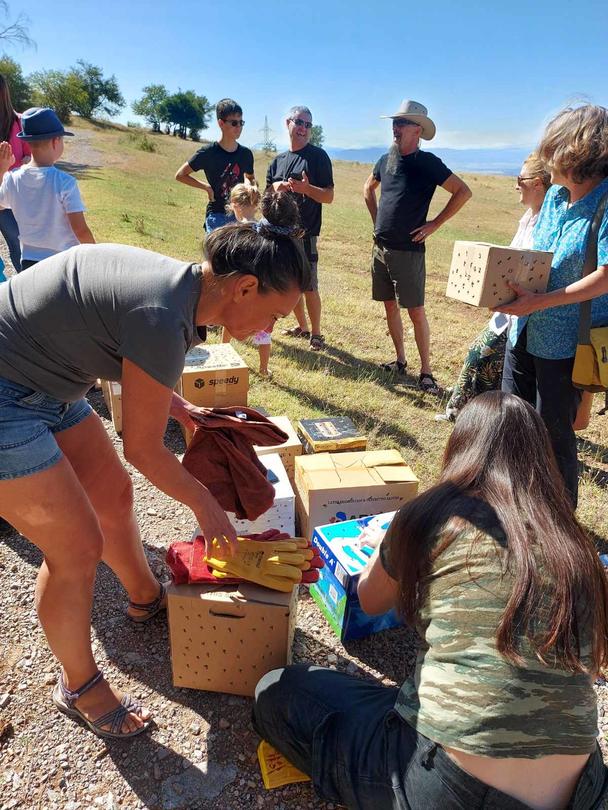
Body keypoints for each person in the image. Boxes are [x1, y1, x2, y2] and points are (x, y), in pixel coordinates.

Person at [0, 190, 309, 740]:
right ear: (243, 287)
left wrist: (176, 403)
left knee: (113, 496)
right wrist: (209, 508)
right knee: (75, 546)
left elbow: (114, 340)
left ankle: (144, 598)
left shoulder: (184, 293)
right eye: (274, 314)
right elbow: (142, 448)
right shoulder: (162, 314)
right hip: (7, 395)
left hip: (51, 381)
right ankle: (78, 685)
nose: (272, 328)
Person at [253, 391, 608, 810]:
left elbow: (369, 600)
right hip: (585, 792)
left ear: (460, 448)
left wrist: (387, 546)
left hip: (452, 788)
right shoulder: (576, 548)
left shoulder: (429, 515)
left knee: (274, 690)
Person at [499, 104, 608, 507]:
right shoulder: (557, 198)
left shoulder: (606, 203)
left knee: (551, 436)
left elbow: (607, 275)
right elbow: (538, 256)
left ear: (579, 153)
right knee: (513, 420)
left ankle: (558, 520)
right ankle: (515, 506)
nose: (546, 160)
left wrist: (542, 301)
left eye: (554, 150)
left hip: (565, 344)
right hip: (525, 330)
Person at [363, 100, 472, 393]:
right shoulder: (385, 160)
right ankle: (400, 360)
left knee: (415, 311)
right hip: (380, 247)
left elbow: (463, 191)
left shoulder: (428, 164)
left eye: (402, 124)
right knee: (389, 305)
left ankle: (426, 372)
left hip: (409, 251)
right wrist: (377, 222)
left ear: (418, 130)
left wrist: (434, 224)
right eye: (395, 123)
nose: (395, 129)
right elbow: (367, 189)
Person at [436, 153, 551, 421]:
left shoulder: (546, 222)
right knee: (484, 360)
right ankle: (467, 414)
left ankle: (470, 416)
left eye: (520, 179)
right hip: (507, 311)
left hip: (524, 314)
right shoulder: (529, 217)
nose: (515, 185)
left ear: (537, 184)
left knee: (483, 358)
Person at [267, 105, 334, 351]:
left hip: (305, 233)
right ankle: (302, 327)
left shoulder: (318, 157)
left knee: (309, 286)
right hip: (279, 232)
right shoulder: (278, 161)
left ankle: (316, 334)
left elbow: (328, 196)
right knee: (290, 283)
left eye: (308, 124)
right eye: (300, 122)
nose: (304, 128)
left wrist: (307, 190)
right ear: (288, 123)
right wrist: (276, 188)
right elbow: (266, 193)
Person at [0, 107, 95, 270]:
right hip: (62, 264)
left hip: (29, 263)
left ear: (26, 141)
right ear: (55, 141)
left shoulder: (12, 178)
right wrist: (95, 254)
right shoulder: (65, 183)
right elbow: (80, 230)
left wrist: (2, 169)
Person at [175, 98, 255, 233]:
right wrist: (206, 187)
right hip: (216, 215)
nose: (239, 127)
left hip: (238, 216)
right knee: (215, 254)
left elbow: (250, 177)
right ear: (221, 123)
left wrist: (248, 185)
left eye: (241, 122)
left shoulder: (246, 154)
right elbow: (180, 175)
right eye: (234, 123)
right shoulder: (208, 152)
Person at [222, 183, 276, 377]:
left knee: (228, 319)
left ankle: (223, 351)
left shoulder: (233, 230)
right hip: (261, 287)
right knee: (263, 329)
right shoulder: (266, 229)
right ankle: (263, 369)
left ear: (235, 204)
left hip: (238, 285)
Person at [0, 73, 30, 272]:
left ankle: (29, 293)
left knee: (20, 248)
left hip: (14, 199)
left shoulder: (20, 122)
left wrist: (18, 167)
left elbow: (30, 157)